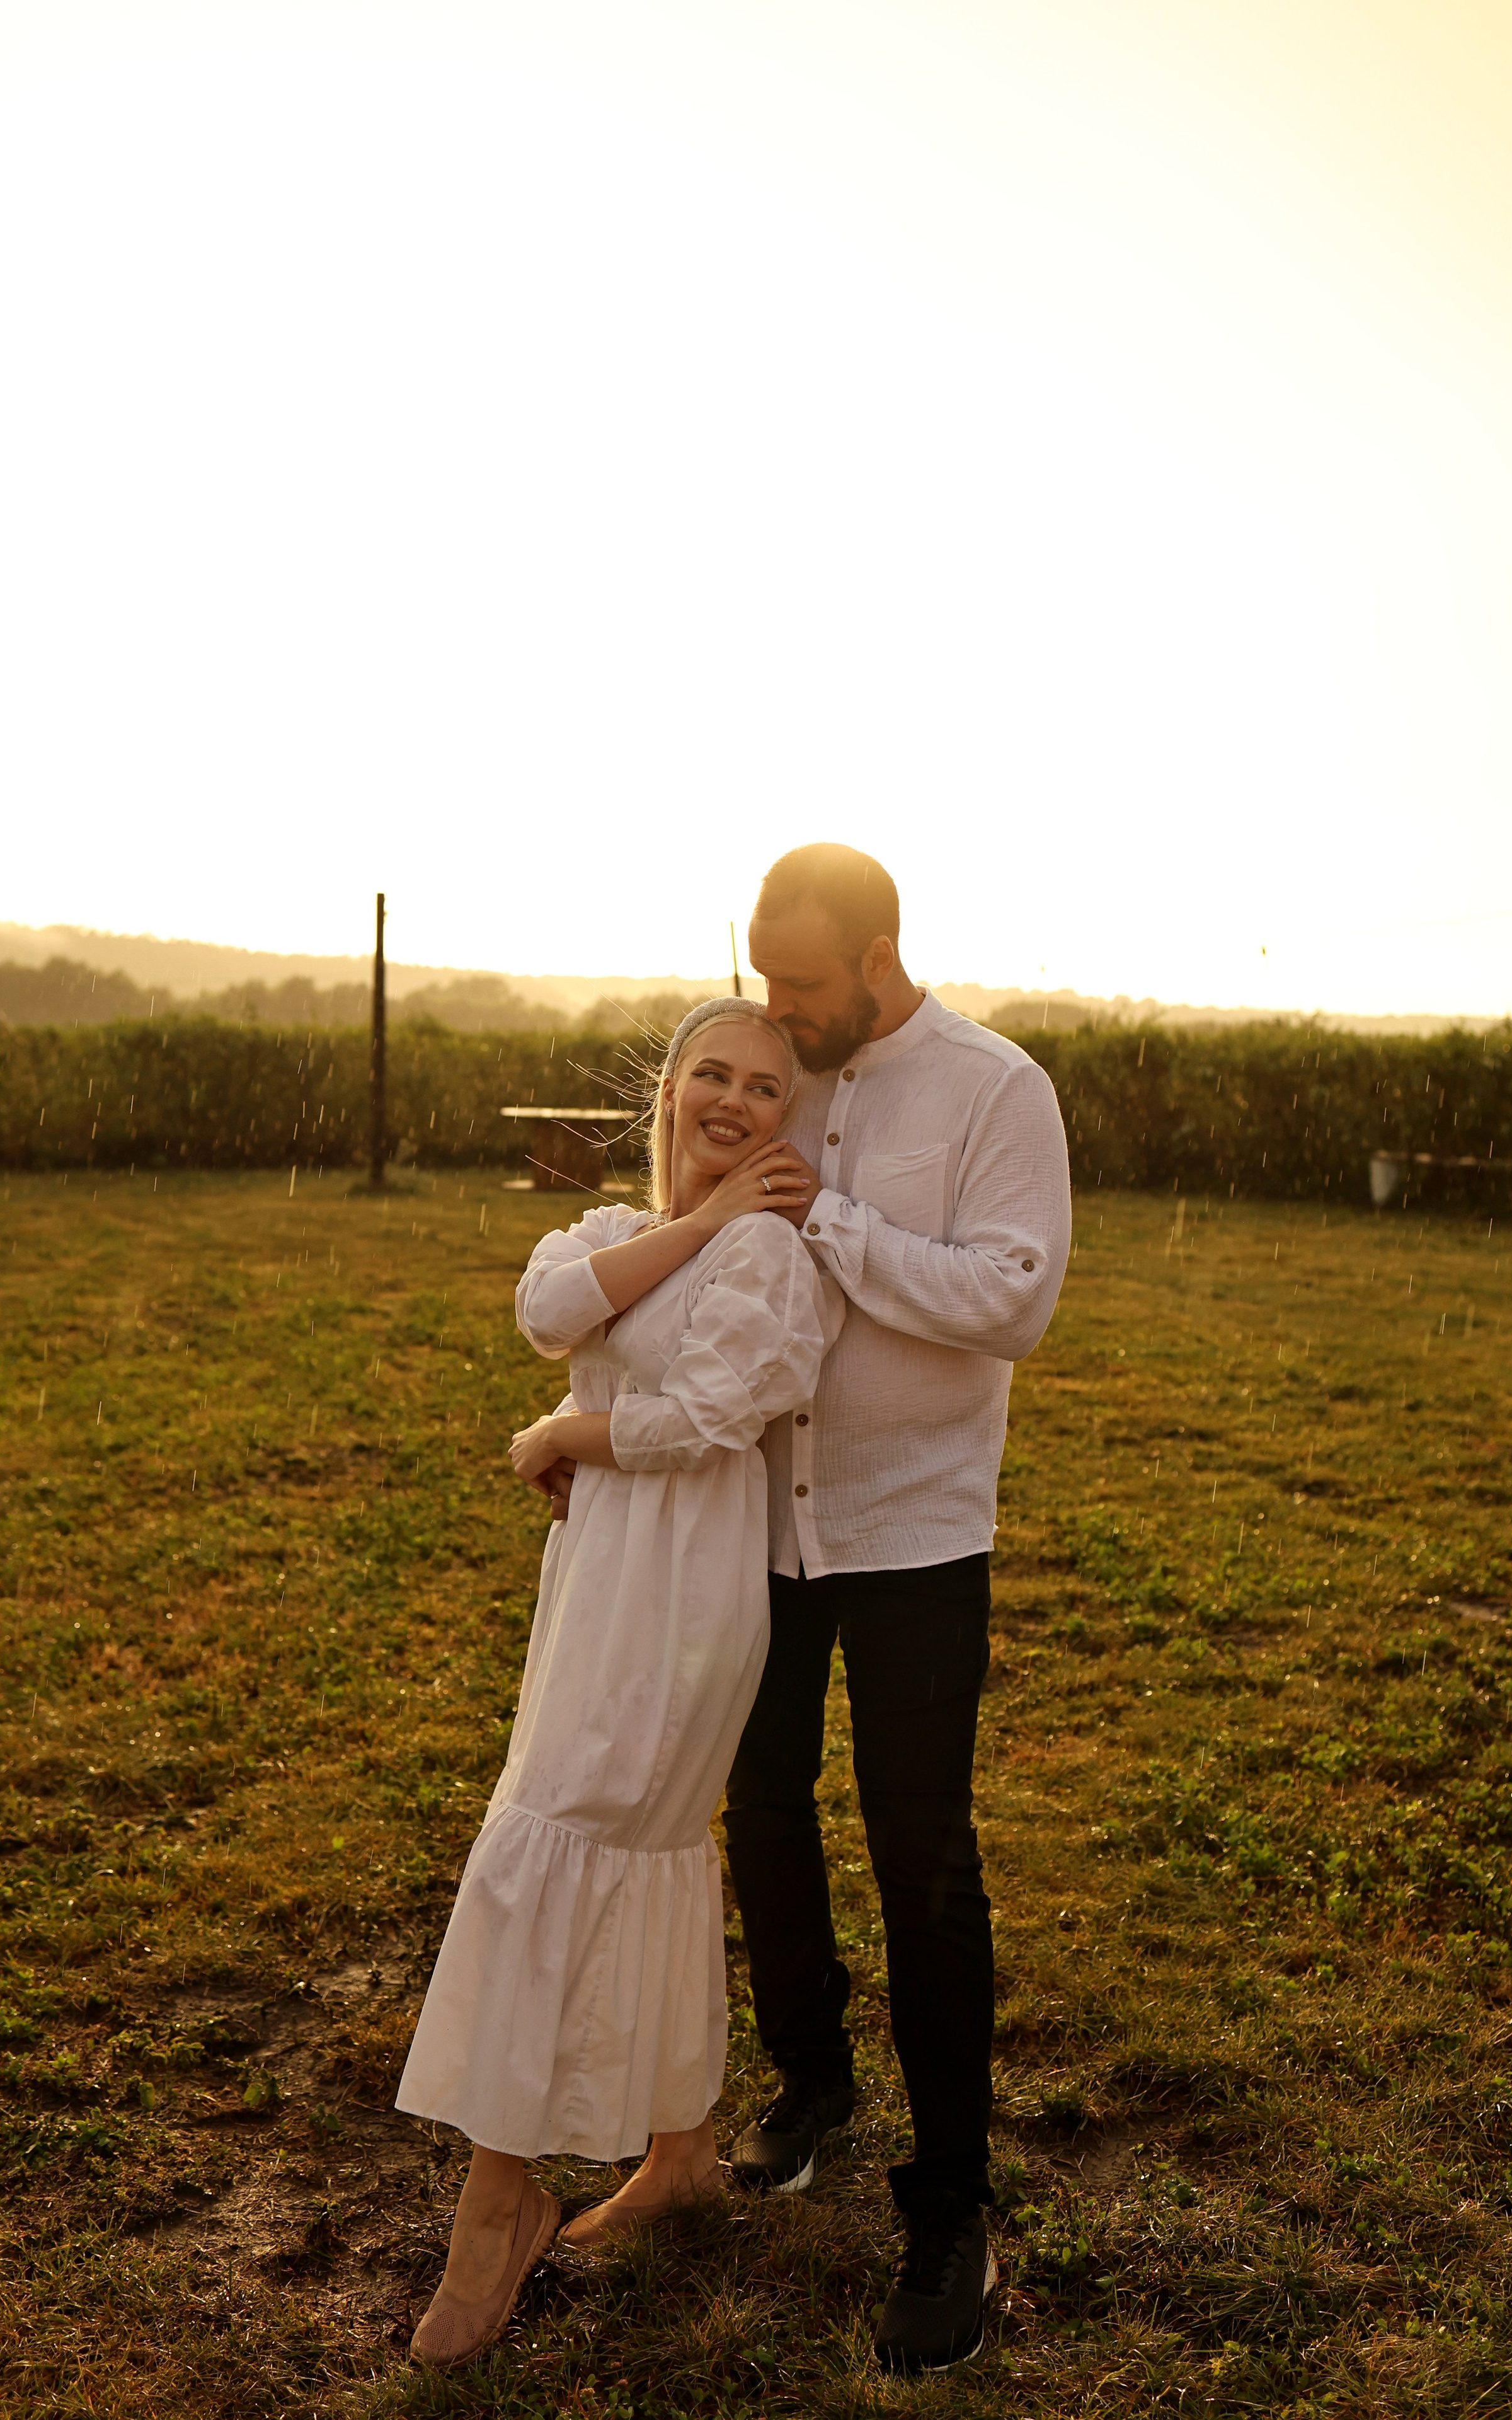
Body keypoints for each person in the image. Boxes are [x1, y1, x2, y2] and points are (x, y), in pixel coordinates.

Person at [397, 997, 840, 2369]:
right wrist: (694, 1223)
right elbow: (546, 1310)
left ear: (787, 1122)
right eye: (709, 1073)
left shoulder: (771, 1258)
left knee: (577, 1838)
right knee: (624, 1845)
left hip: (688, 1600)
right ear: (668, 1091)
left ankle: (498, 2210)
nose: (731, 1102)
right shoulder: (620, 1234)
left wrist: (561, 1432)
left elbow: (712, 1413)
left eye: (763, 1091)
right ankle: (685, 2150)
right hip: (595, 1588)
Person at [722, 842, 1072, 2375]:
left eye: (799, 982)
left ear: (877, 958)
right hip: (758, 1518)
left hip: (917, 1535)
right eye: (760, 978)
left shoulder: (998, 1091)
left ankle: (951, 2209)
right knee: (759, 1803)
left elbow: (1012, 1297)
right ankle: (808, 2084)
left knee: (920, 1857)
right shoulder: (771, 1069)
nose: (773, 1011)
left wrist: (836, 1229)